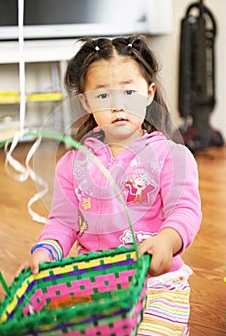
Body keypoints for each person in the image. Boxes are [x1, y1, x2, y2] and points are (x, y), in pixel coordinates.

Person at [18, 35, 202, 335]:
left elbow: (185, 210)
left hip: (156, 287)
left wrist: (168, 240)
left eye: (129, 91)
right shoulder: (72, 164)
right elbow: (63, 224)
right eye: (103, 96)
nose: (118, 105)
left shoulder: (172, 156)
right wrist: (46, 251)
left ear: (148, 93)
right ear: (86, 102)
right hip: (93, 289)